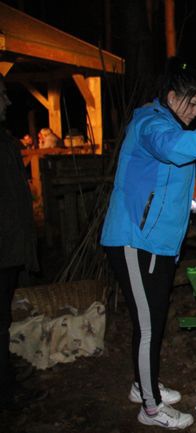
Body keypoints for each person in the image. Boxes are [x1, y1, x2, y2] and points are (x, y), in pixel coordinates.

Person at [100, 57, 196, 430]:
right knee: (149, 325)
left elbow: (183, 163)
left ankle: (144, 386)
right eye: (194, 103)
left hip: (158, 244)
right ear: (173, 97)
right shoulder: (151, 123)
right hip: (135, 240)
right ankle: (150, 408)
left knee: (152, 319)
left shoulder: (168, 127)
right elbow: (171, 149)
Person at [0, 74, 40, 408]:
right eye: (1, 95)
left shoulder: (4, 139)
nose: (7, 101)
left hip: (9, 244)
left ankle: (7, 380)